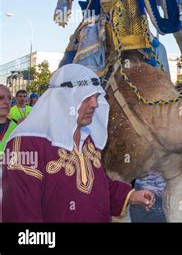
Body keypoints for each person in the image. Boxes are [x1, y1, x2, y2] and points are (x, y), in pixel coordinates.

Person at [2, 64, 156, 222]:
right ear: (63, 99)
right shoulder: (24, 145)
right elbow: (20, 212)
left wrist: (129, 195)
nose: (95, 104)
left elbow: (98, 182)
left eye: (96, 97)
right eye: (87, 97)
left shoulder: (86, 137)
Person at [0, 85, 18, 222]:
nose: (7, 102)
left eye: (9, 98)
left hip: (9, 190)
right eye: (1, 98)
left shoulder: (18, 128)